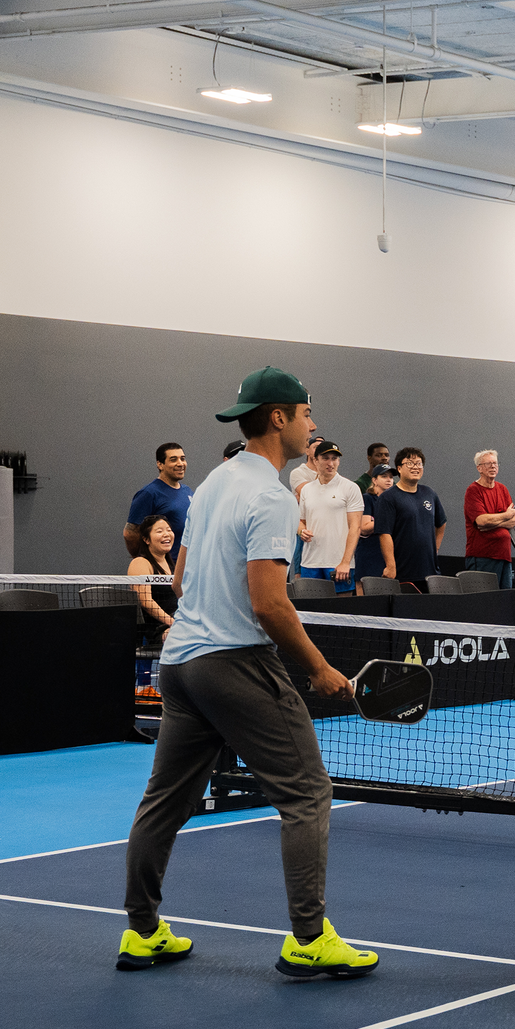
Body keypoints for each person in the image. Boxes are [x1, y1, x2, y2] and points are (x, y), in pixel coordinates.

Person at [118, 365, 374, 980]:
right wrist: (318, 668)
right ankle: (309, 939)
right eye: (307, 413)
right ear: (279, 418)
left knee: (164, 801)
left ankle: (142, 931)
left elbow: (178, 582)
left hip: (178, 662)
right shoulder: (270, 496)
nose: (314, 425)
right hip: (234, 661)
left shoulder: (210, 484)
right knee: (308, 792)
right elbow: (269, 603)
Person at [294, 442, 365, 592]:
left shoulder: (350, 488)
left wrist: (345, 562)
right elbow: (301, 521)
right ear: (315, 460)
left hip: (338, 563)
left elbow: (355, 527)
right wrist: (301, 531)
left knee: (341, 611)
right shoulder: (306, 490)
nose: (330, 463)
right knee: (310, 611)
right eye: (325, 458)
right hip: (310, 563)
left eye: (334, 459)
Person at [374, 446, 447, 588]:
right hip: (403, 571)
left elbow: (441, 522)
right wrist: (390, 565)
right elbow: (384, 533)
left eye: (419, 463)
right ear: (399, 468)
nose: (415, 467)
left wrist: (435, 548)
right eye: (410, 463)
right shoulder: (388, 498)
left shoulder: (429, 493)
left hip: (430, 570)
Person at [460, 449, 515, 587]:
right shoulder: (473, 491)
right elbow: (481, 521)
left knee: (505, 600)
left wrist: (493, 523)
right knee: (484, 601)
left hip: (504, 556)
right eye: (488, 463)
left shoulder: (502, 489)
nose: (493, 466)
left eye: (495, 463)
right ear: (479, 468)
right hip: (482, 557)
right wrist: (505, 516)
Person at [124, 443, 192, 561]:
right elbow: (130, 534)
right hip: (165, 572)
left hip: (187, 567)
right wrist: (147, 561)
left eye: (182, 459)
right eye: (173, 459)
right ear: (160, 464)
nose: (180, 464)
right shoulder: (149, 493)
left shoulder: (188, 491)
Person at [128, 511, 180, 640]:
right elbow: (145, 602)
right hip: (158, 628)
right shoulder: (140, 563)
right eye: (159, 531)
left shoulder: (173, 566)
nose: (166, 534)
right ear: (146, 539)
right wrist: (173, 623)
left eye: (168, 530)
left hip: (179, 621)